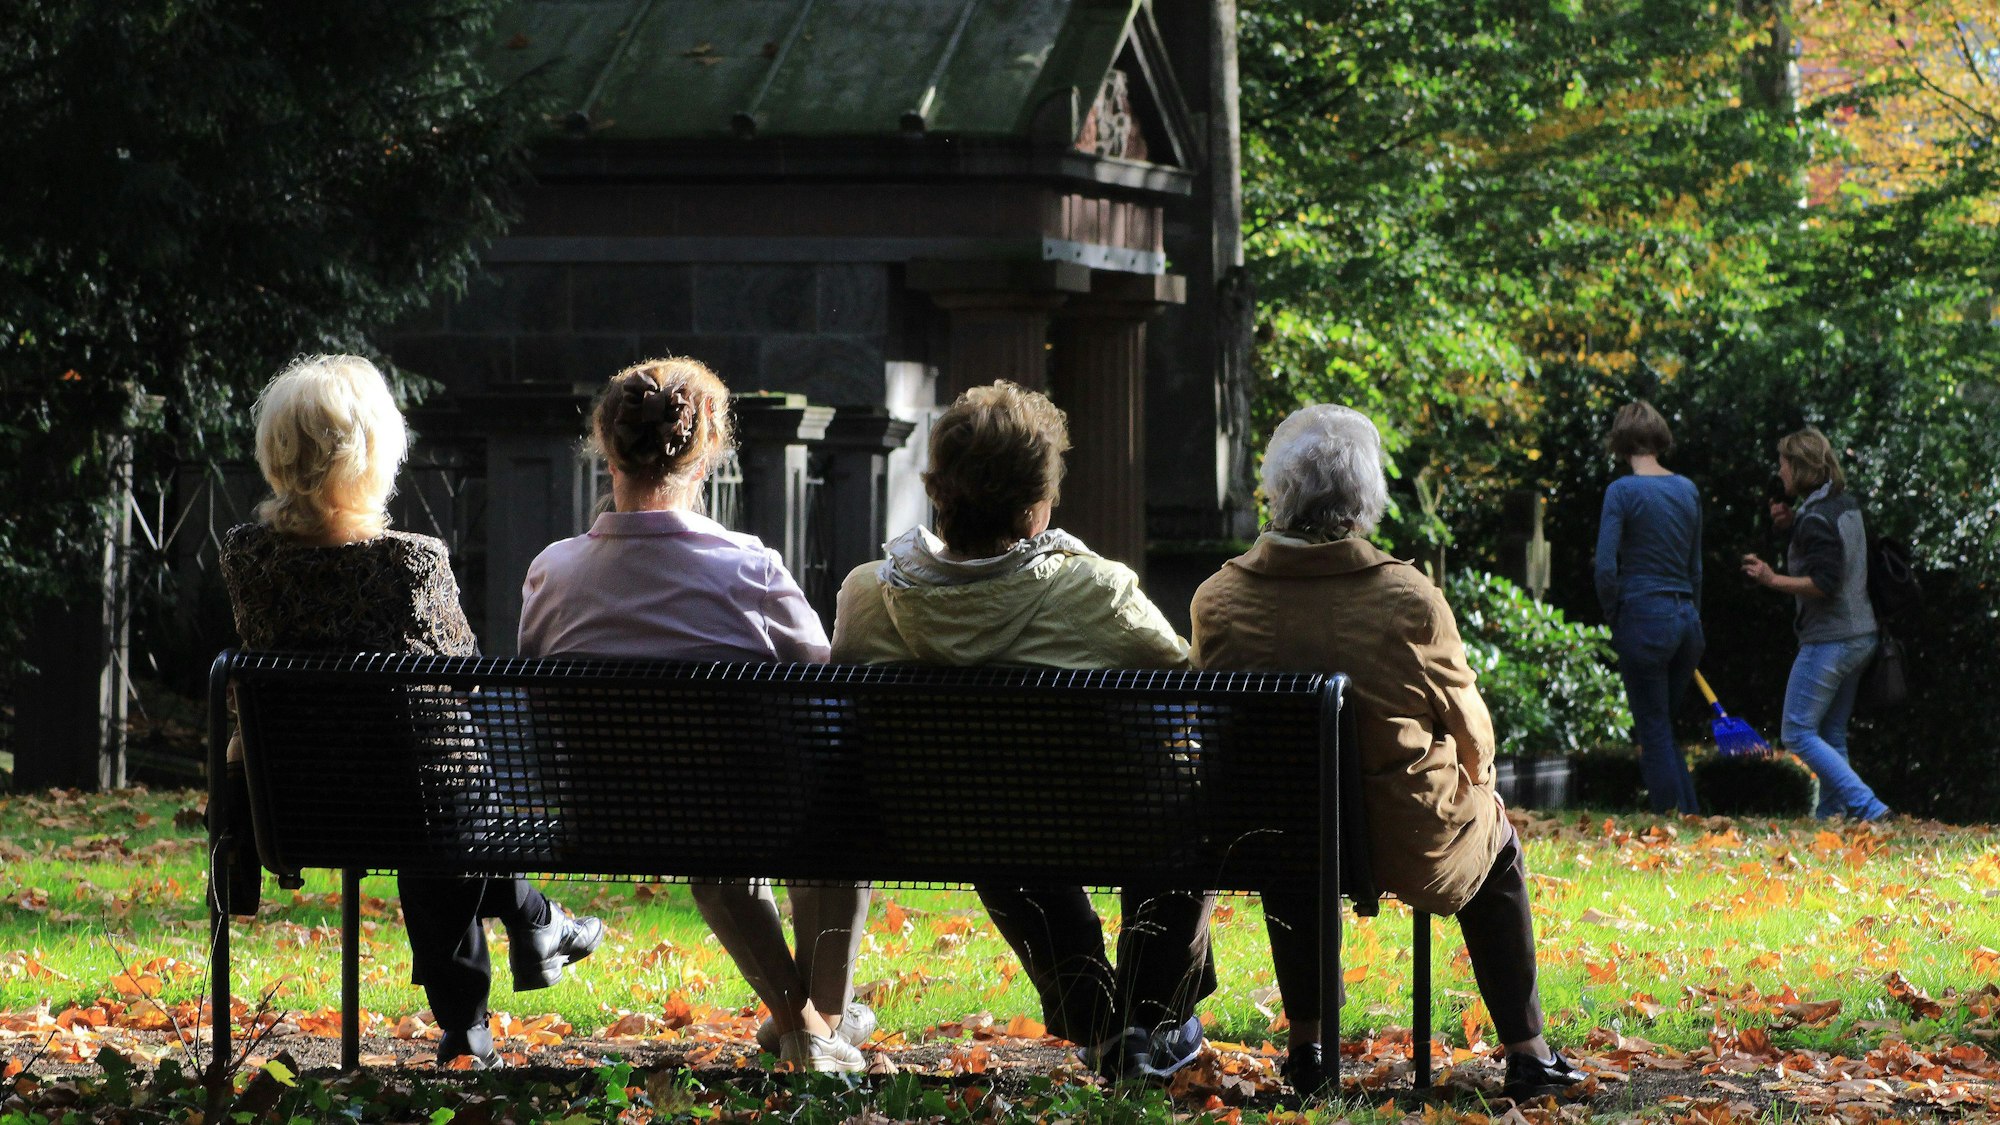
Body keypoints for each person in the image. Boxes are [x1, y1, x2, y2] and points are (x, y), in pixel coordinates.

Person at [1189, 404, 1584, 1101]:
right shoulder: (1407, 597)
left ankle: (1309, 1048)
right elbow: (1470, 728)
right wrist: (1481, 787)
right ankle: (1529, 1050)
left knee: (1294, 830)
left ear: (1276, 491)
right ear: (1365, 496)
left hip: (1274, 834)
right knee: (1498, 845)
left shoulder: (1219, 599)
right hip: (1403, 834)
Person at [220, 354, 603, 1070]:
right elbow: (460, 676)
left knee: (427, 782)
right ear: (373, 452)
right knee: (436, 778)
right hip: (422, 812)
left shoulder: (248, 558)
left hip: (298, 803)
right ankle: (525, 932)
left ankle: (516, 955)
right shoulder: (412, 562)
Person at [831, 381, 1213, 1083]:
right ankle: (1150, 1020)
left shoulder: (867, 596)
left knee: (994, 807)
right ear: (1036, 503)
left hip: (947, 826)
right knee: (1179, 794)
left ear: (937, 490)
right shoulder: (1092, 591)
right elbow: (1188, 682)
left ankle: (1100, 1019)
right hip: (1101, 823)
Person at [516, 357, 873, 1074]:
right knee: (833, 824)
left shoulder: (552, 571)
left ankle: (810, 1028)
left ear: (607, 447)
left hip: (606, 814)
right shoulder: (750, 569)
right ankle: (816, 1028)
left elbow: (535, 697)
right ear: (706, 446)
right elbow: (824, 682)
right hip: (741, 815)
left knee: (720, 833)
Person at [1741, 427, 1890, 820]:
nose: (1780, 472)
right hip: (1862, 635)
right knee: (1831, 733)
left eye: (1783, 464)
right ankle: (1830, 820)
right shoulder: (1844, 505)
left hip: (1831, 640)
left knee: (1796, 732)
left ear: (1800, 467)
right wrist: (1792, 526)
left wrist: (1772, 579)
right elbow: (1832, 553)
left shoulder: (1816, 518)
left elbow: (1825, 583)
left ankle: (1869, 807)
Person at [1592, 401, 1703, 814]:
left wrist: (1614, 613)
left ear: (1620, 443)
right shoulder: (1688, 490)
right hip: (1686, 623)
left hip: (1643, 621)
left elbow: (1606, 567)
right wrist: (1693, 619)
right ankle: (1690, 816)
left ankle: (1671, 820)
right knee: (1662, 725)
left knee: (1653, 728)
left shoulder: (1621, 492)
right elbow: (1696, 571)